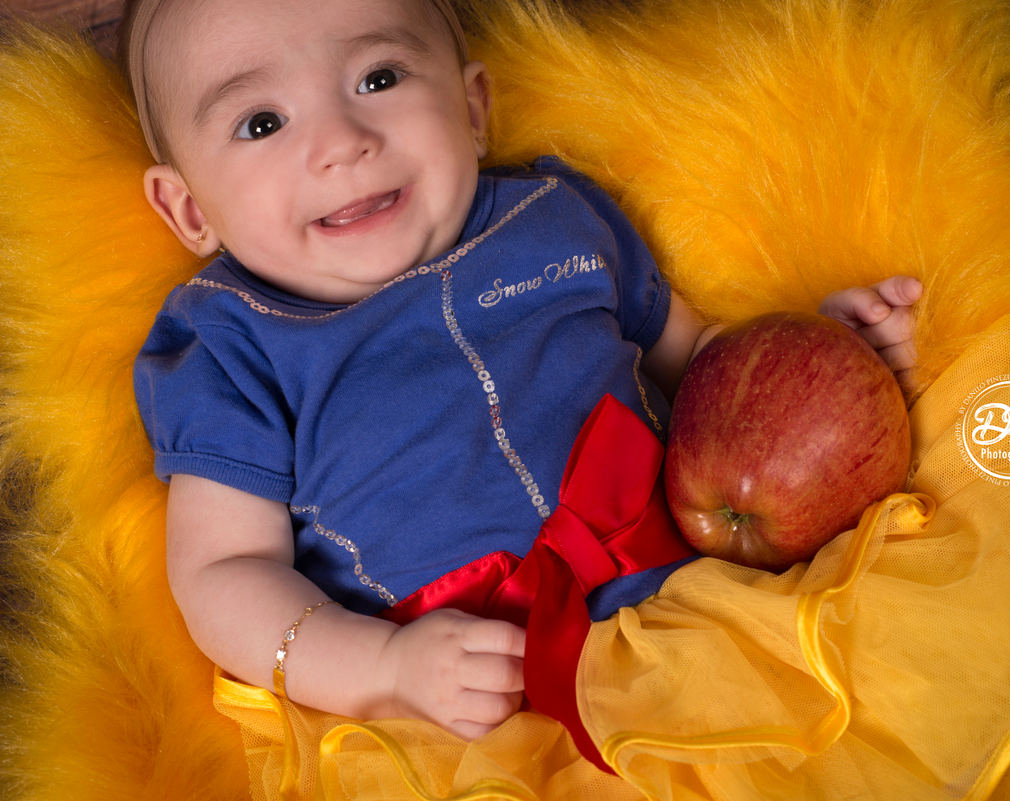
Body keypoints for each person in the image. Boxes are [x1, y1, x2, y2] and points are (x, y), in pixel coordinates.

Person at [124, 0, 922, 749]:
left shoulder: (555, 214)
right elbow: (223, 575)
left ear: (472, 110)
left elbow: (702, 365)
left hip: (701, 612)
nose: (341, 141)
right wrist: (380, 670)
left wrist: (815, 365)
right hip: (467, 712)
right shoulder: (230, 341)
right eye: (261, 122)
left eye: (379, 78)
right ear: (189, 208)